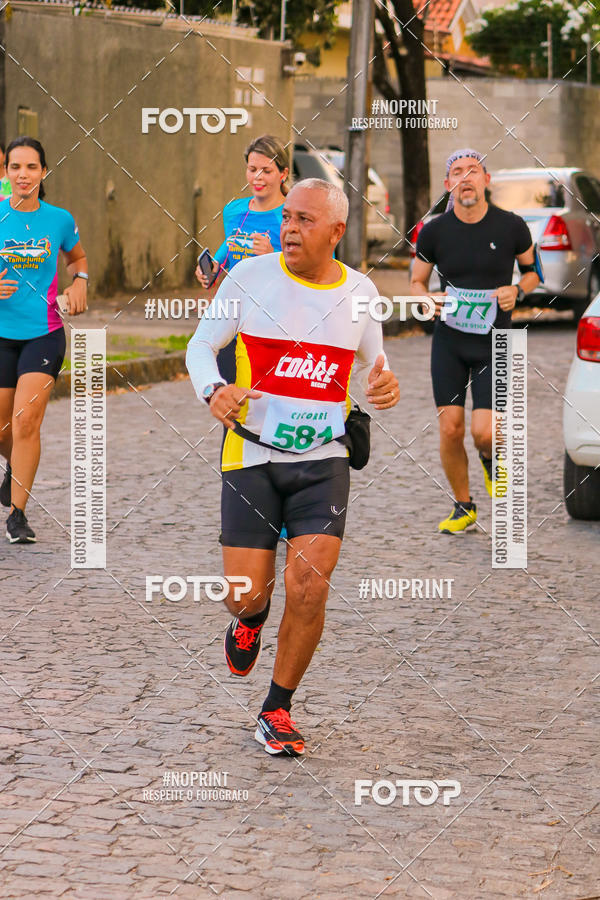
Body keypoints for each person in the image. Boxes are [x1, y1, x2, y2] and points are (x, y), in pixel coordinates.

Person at [186, 178, 399, 756]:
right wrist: (213, 390)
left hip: (323, 457)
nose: (289, 229)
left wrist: (382, 384)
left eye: (305, 220)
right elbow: (200, 347)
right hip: (251, 452)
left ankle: (277, 708)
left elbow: (371, 368)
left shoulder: (360, 292)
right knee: (247, 593)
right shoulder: (250, 278)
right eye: (286, 217)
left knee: (309, 588)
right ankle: (248, 619)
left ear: (336, 231)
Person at [410, 148, 539, 534]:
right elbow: (416, 281)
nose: (465, 177)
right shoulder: (433, 230)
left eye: (473, 170)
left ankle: (489, 457)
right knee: (450, 427)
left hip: (496, 341)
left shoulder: (512, 226)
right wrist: (426, 299)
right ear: (448, 185)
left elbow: (533, 273)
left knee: (484, 432)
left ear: (486, 180)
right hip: (449, 340)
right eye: (457, 172)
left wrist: (517, 290)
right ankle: (463, 505)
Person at [0, 137, 88, 543]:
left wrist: (80, 283)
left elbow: (78, 259)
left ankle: (17, 514)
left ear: (43, 172)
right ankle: (14, 470)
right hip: (1, 334)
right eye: (15, 167)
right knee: (4, 428)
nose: (23, 175)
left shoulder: (59, 220)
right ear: (6, 172)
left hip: (45, 334)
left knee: (25, 422)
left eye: (31, 167)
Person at [195, 134, 290, 385]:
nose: (257, 177)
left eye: (266, 170)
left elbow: (316, 265)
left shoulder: (292, 213)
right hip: (234, 313)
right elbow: (230, 244)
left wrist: (274, 256)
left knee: (268, 394)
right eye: (252, 169)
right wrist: (213, 267)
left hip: (277, 318)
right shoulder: (234, 210)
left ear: (283, 173)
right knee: (231, 390)